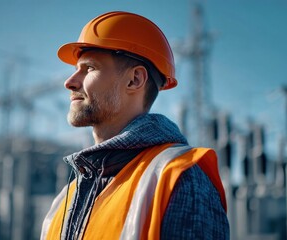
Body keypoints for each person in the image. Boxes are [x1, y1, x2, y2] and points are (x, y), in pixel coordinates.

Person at [41, 11, 229, 240]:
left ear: (135, 80)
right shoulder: (65, 199)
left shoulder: (178, 178)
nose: (69, 82)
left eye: (89, 68)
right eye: (75, 69)